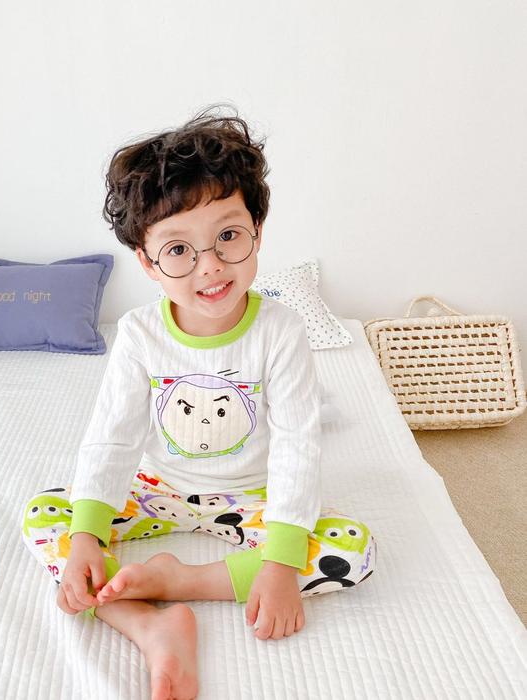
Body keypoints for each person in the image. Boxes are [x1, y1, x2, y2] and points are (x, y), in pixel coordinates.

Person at [21, 105, 376, 700]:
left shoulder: (281, 330)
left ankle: (179, 583)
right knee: (49, 515)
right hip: (156, 489)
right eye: (179, 250)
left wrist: (279, 565)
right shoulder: (139, 333)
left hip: (253, 495)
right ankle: (148, 625)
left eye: (228, 237)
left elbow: (297, 446)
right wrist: (87, 538)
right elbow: (112, 438)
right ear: (147, 261)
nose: (209, 266)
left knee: (352, 550)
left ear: (257, 231)